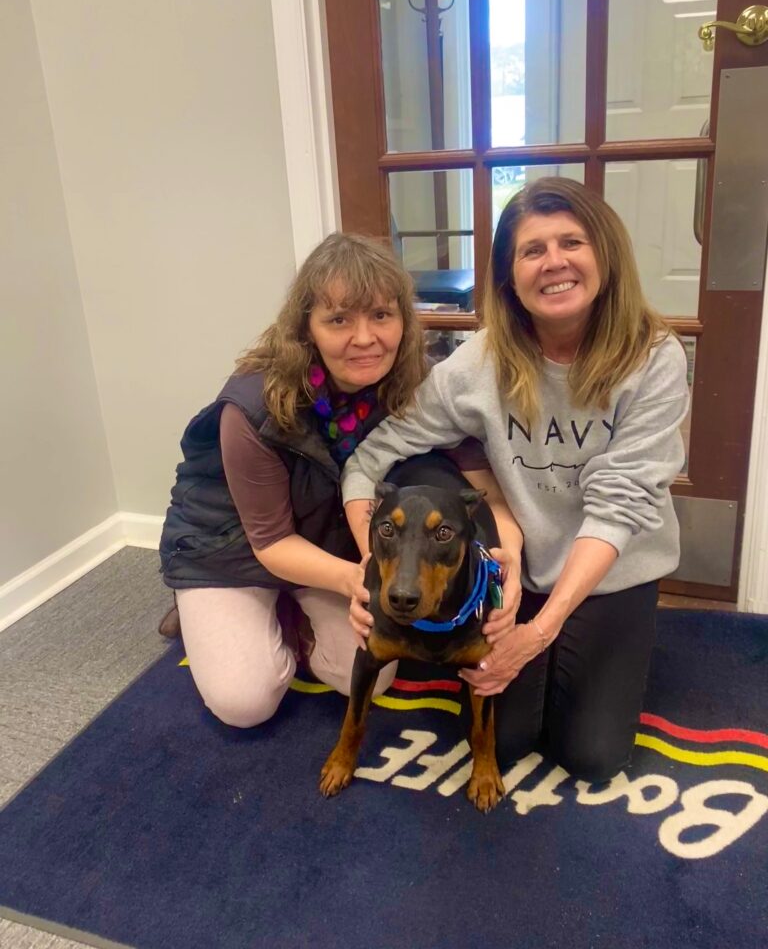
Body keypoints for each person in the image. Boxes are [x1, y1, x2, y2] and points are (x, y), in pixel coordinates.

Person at [342, 177, 689, 784]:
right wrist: (367, 568)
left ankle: (583, 645)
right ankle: (553, 654)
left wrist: (538, 633)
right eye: (532, 250)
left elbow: (617, 509)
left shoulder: (654, 358)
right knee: (503, 743)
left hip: (612, 568)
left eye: (572, 242)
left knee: (592, 755)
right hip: (517, 571)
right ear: (509, 276)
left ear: (604, 255)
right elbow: (372, 456)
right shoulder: (476, 365)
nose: (554, 262)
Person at [158, 232, 513, 729]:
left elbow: (483, 483)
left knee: (368, 674)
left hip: (326, 538)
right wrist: (359, 580)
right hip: (232, 548)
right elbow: (271, 541)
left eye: (381, 316)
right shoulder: (253, 404)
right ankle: (209, 607)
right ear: (307, 328)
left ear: (403, 322)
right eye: (339, 319)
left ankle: (288, 615)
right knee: (245, 703)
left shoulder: (416, 380)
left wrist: (504, 560)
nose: (365, 338)